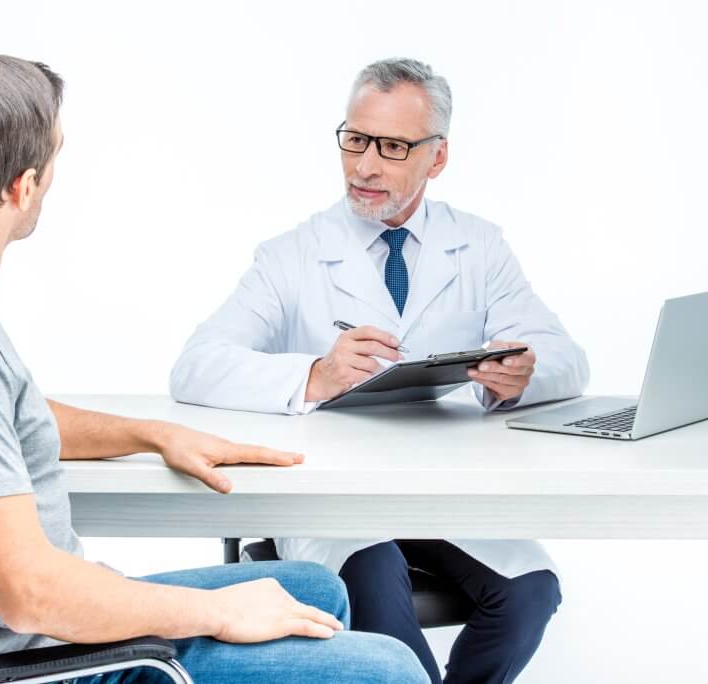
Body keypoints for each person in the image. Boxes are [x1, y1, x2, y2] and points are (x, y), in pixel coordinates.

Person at [0, 55, 428, 684]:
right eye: (55, 159)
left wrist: (150, 433)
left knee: (313, 589)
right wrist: (218, 612)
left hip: (10, 632)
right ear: (20, 188)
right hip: (46, 662)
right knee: (392, 670)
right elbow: (30, 594)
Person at [170, 57, 589, 684]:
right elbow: (195, 368)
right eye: (356, 139)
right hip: (335, 502)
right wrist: (314, 375)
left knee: (531, 589)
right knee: (375, 584)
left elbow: (568, 359)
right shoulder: (293, 256)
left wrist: (525, 374)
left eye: (392, 147)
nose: (365, 165)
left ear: (437, 157)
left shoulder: (478, 245)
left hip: (441, 492)